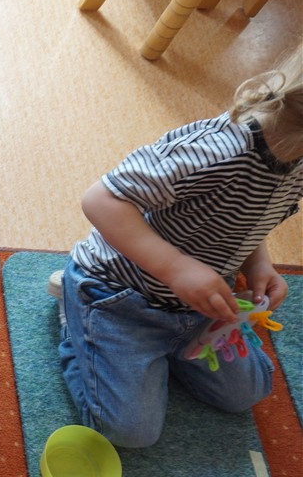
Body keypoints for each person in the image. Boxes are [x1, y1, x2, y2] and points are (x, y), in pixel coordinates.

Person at [52, 42, 303, 449]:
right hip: (121, 294)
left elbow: (252, 217)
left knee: (249, 391)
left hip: (199, 305)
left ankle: (151, 356)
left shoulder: (296, 160)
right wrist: (176, 268)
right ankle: (74, 314)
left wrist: (259, 265)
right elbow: (101, 199)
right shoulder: (219, 150)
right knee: (130, 432)